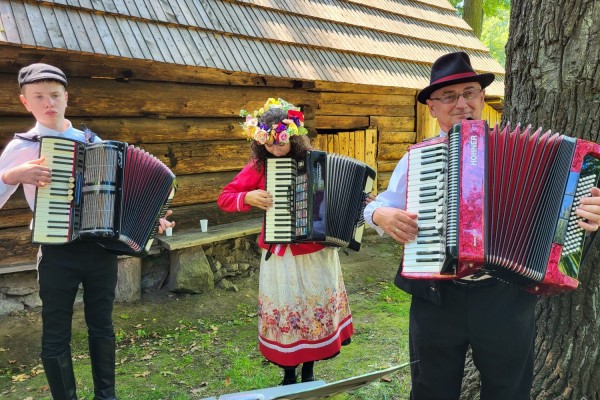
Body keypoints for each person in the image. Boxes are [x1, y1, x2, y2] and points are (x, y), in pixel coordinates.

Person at [364, 51, 600, 400]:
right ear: (432, 107)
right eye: (448, 96)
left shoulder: (528, 150)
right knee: (431, 390)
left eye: (470, 92)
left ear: (481, 98)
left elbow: (564, 220)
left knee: (508, 391)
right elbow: (382, 203)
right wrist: (378, 215)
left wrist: (589, 217)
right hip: (436, 296)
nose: (461, 103)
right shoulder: (419, 157)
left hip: (506, 296)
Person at [0, 63, 174, 400]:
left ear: (67, 97)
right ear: (25, 102)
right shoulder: (22, 147)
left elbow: (120, 199)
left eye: (54, 95)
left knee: (102, 327)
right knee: (55, 334)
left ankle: (105, 396)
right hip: (56, 253)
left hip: (99, 252)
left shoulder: (94, 143)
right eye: (39, 97)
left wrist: (153, 220)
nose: (48, 102)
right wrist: (12, 175)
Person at [217, 98, 353, 385]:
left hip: (317, 251)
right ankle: (288, 374)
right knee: (288, 311)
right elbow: (225, 198)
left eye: (280, 143)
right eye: (268, 144)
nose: (275, 150)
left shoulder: (316, 161)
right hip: (282, 255)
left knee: (310, 311)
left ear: (293, 136)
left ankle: (309, 370)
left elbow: (343, 193)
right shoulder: (259, 166)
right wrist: (247, 197)